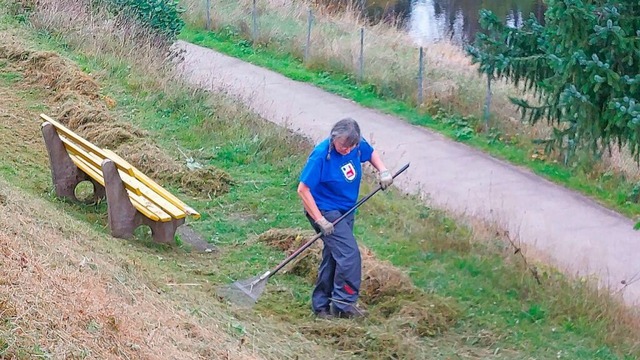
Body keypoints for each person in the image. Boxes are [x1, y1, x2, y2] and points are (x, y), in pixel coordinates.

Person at [297, 118, 393, 319]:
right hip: (324, 210)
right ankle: (343, 305)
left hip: (346, 210)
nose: (347, 151)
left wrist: (383, 170)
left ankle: (321, 306)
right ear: (334, 138)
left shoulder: (354, 145)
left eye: (351, 147)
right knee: (349, 255)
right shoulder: (321, 156)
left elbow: (371, 152)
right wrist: (320, 220)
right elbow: (303, 190)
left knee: (334, 255)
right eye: (343, 146)